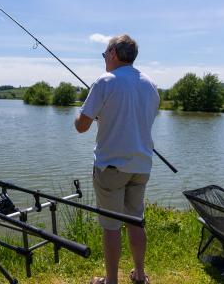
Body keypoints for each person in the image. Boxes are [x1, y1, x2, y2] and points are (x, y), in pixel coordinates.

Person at [75, 34, 159, 284]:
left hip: (111, 167)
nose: (104, 60)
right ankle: (140, 275)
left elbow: (81, 126)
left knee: (111, 227)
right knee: (135, 220)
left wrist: (82, 112)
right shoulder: (151, 85)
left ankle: (111, 281)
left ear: (113, 53)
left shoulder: (105, 82)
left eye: (104, 55)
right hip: (141, 166)